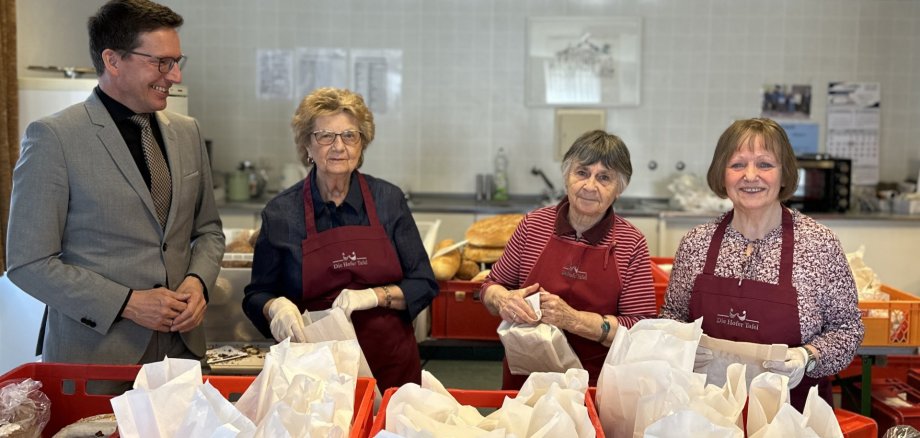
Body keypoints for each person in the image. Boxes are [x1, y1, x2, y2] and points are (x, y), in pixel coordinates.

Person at [6, 0, 224, 372]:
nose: (175, 76)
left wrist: (197, 282)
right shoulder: (54, 137)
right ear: (113, 60)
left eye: (176, 61)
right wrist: (128, 303)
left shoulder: (187, 132)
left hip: (182, 355)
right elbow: (28, 262)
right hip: (95, 359)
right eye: (161, 63)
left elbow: (208, 232)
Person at [659, 118, 864, 410]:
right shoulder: (696, 244)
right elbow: (672, 316)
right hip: (707, 411)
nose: (750, 176)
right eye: (737, 164)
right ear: (722, 175)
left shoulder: (819, 245)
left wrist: (808, 357)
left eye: (765, 165)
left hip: (792, 414)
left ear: (784, 175)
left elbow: (847, 329)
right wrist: (682, 346)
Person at [242, 87, 438, 391]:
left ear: (362, 144)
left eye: (349, 136)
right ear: (307, 144)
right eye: (325, 136)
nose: (339, 146)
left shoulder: (388, 200)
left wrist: (375, 296)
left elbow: (423, 283)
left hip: (391, 370)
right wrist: (275, 306)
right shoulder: (282, 213)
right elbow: (257, 294)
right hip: (314, 374)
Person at [480, 130, 657, 389]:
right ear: (566, 175)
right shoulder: (533, 225)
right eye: (582, 172)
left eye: (604, 177)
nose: (589, 186)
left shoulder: (631, 242)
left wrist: (573, 319)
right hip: (527, 379)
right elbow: (490, 285)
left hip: (595, 385)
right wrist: (504, 299)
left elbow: (639, 328)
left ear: (620, 187)